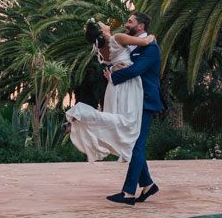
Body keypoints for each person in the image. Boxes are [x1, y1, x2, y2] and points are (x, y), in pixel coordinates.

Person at [65, 19, 155, 163]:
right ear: (102, 31)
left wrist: (113, 69)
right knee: (128, 121)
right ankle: (81, 112)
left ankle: (125, 154)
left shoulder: (101, 48)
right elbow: (144, 42)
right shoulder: (118, 38)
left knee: (114, 118)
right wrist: (152, 37)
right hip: (128, 83)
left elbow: (113, 60)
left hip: (113, 85)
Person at [104, 11, 162, 206]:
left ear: (141, 26)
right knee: (132, 144)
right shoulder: (132, 45)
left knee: (136, 145)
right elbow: (121, 63)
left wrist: (114, 76)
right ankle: (147, 185)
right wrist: (113, 70)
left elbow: (136, 70)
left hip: (145, 101)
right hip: (132, 100)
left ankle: (129, 192)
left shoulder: (151, 48)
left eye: (130, 22)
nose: (126, 24)